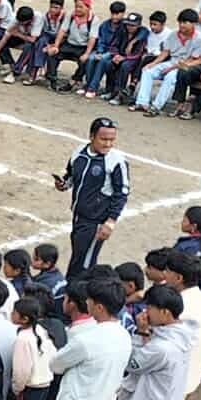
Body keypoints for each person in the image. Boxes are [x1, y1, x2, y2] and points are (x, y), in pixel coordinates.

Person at [55, 117, 130, 279]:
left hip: (96, 222)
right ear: (91, 137)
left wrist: (110, 222)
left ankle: (75, 290)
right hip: (78, 217)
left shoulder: (117, 161)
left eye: (112, 140)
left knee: (83, 264)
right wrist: (63, 185)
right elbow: (71, 176)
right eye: (104, 139)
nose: (108, 144)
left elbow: (122, 193)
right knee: (78, 256)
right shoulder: (79, 153)